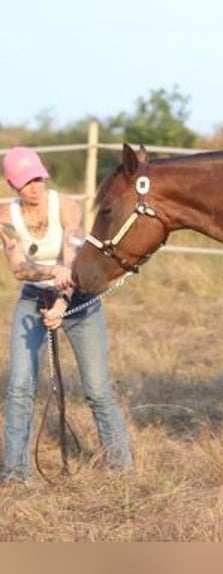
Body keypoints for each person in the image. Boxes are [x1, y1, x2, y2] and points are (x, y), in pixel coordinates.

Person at [0, 147, 132, 482]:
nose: (35, 186)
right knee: (19, 387)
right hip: (33, 299)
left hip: (78, 299)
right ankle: (15, 473)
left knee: (97, 388)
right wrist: (51, 273)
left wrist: (61, 303)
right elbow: (19, 268)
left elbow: (74, 260)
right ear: (13, 184)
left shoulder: (67, 207)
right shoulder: (5, 218)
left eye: (38, 177)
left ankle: (121, 467)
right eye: (26, 181)